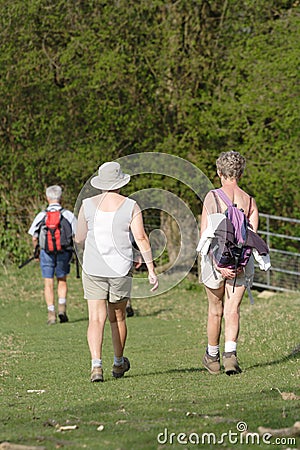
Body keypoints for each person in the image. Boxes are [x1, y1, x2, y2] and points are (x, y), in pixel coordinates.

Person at [75, 161, 158, 382]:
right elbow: (141, 238)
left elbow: (79, 238)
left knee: (95, 319)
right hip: (120, 269)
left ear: (101, 183)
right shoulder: (131, 205)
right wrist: (151, 268)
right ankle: (119, 362)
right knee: (118, 318)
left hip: (93, 268)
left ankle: (96, 366)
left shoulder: (87, 204)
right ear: (120, 182)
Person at [200, 151, 259, 375]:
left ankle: (212, 357)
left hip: (216, 262)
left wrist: (217, 264)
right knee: (232, 309)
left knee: (215, 310)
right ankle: (230, 356)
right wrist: (239, 264)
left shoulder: (212, 197)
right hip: (240, 264)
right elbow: (252, 236)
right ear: (240, 173)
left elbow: (205, 234)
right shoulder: (250, 201)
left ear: (219, 172)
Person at [28, 185, 76, 325]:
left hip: (46, 252)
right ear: (61, 198)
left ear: (47, 197)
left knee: (48, 282)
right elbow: (77, 235)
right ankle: (62, 308)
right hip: (63, 252)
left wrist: (36, 251)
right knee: (62, 280)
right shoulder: (67, 214)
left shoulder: (42, 215)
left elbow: (34, 236)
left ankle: (51, 314)